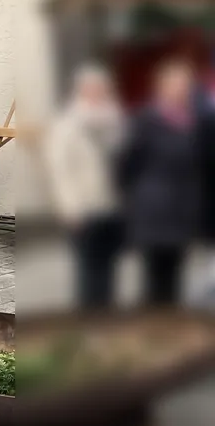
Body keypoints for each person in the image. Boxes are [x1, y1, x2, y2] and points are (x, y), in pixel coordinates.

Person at [117, 56, 208, 305]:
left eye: (185, 85)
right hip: (155, 208)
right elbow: (127, 164)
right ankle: (154, 328)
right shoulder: (146, 120)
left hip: (183, 209)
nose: (181, 90)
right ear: (162, 86)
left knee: (175, 275)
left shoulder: (194, 122)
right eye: (175, 84)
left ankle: (170, 326)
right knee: (155, 276)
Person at [43, 66, 124, 306]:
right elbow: (58, 171)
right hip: (83, 208)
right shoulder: (67, 124)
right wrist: (70, 207)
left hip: (113, 207)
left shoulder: (116, 120)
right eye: (91, 89)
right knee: (88, 268)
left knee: (109, 268)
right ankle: (89, 322)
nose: (96, 93)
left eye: (101, 89)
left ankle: (106, 315)